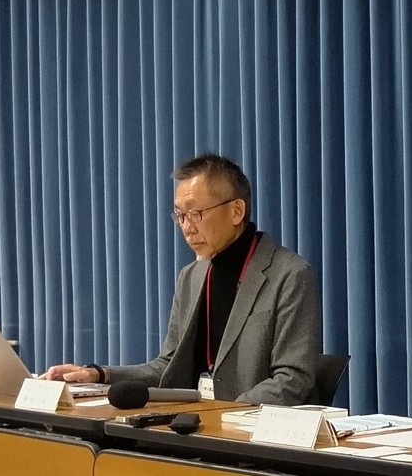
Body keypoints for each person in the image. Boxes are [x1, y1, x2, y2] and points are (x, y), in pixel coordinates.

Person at [44, 153, 322, 405]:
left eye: (196, 214)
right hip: (193, 424)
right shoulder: (191, 276)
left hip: (246, 432)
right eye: (180, 215)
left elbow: (292, 379)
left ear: (236, 211)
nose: (187, 228)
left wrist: (225, 415)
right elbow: (168, 366)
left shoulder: (290, 274)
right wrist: (100, 375)